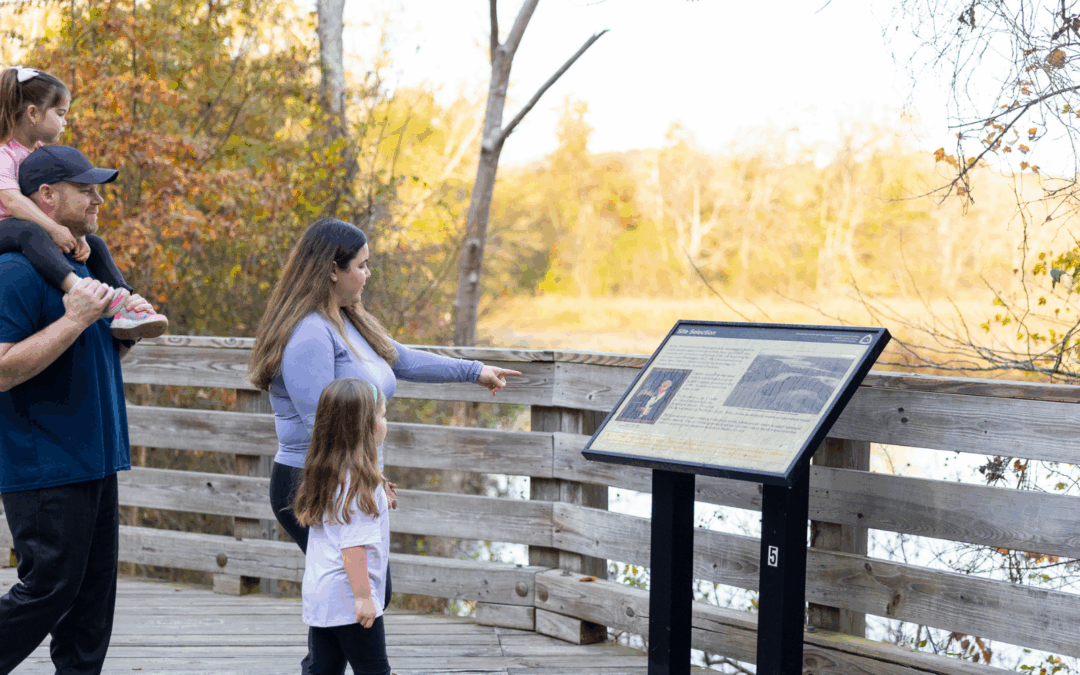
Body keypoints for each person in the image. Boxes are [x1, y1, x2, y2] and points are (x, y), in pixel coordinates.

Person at [248, 217, 520, 674]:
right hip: (311, 481)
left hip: (349, 473)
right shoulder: (310, 334)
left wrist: (473, 371)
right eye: (362, 265)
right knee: (364, 590)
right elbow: (325, 425)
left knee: (340, 590)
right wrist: (362, 478)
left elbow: (403, 359)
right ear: (333, 269)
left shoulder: (347, 321)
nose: (368, 274)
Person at [0, 149, 153, 674]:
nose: (98, 198)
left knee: (91, 604)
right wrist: (73, 321)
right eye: (85, 189)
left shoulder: (81, 264)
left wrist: (121, 330)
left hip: (98, 456)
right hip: (44, 462)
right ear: (46, 196)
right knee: (47, 590)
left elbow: (102, 350)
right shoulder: (16, 270)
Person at [0, 65, 168, 340]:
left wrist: (76, 232)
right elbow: (12, 200)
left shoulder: (38, 154)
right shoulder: (4, 154)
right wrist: (54, 229)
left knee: (97, 243)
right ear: (32, 114)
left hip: (23, 228)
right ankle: (78, 288)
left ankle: (128, 303)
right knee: (28, 231)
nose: (65, 122)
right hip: (8, 228)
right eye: (60, 114)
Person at [293, 378, 393, 675]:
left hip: (322, 595)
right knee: (374, 671)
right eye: (382, 416)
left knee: (323, 669)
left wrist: (384, 501)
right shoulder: (363, 485)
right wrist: (363, 598)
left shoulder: (327, 472)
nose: (386, 423)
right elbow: (352, 547)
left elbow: (341, 523)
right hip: (350, 599)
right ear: (366, 427)